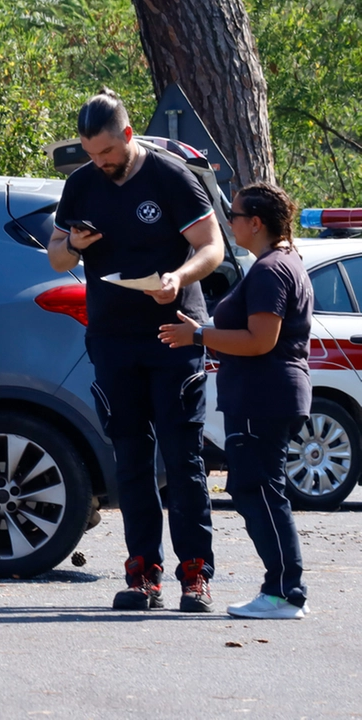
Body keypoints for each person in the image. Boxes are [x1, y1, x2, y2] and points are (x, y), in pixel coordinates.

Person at [47, 88, 226, 612]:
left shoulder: (172, 177)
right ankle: (142, 575)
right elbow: (56, 258)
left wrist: (179, 276)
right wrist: (74, 245)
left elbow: (212, 246)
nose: (99, 163)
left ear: (127, 136)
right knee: (130, 458)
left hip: (174, 333)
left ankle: (195, 575)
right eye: (90, 154)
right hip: (112, 338)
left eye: (106, 153)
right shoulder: (80, 184)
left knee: (183, 457)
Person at [158, 183, 311, 619]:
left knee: (259, 491)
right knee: (257, 489)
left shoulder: (271, 271)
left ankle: (284, 592)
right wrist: (202, 329)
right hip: (265, 395)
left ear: (256, 223)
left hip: (265, 396)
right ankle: (283, 588)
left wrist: (200, 335)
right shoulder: (277, 264)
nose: (230, 221)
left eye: (236, 214)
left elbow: (261, 340)